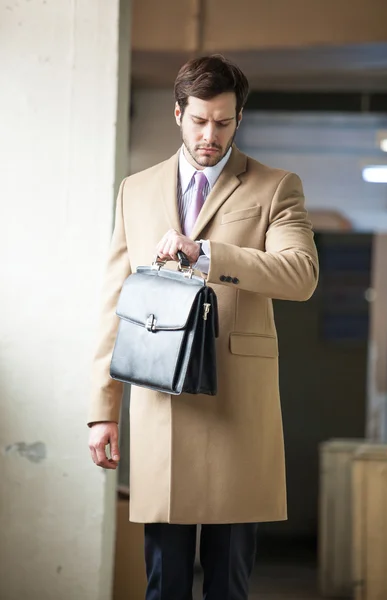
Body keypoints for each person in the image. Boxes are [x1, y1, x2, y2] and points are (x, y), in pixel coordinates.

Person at [88, 54, 319, 600]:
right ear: (177, 114)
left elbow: (301, 275)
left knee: (227, 583)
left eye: (222, 121)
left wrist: (210, 255)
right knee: (164, 583)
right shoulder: (136, 190)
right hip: (161, 403)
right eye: (199, 120)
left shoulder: (275, 186)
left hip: (237, 407)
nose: (209, 134)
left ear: (239, 118)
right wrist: (103, 411)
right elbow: (113, 301)